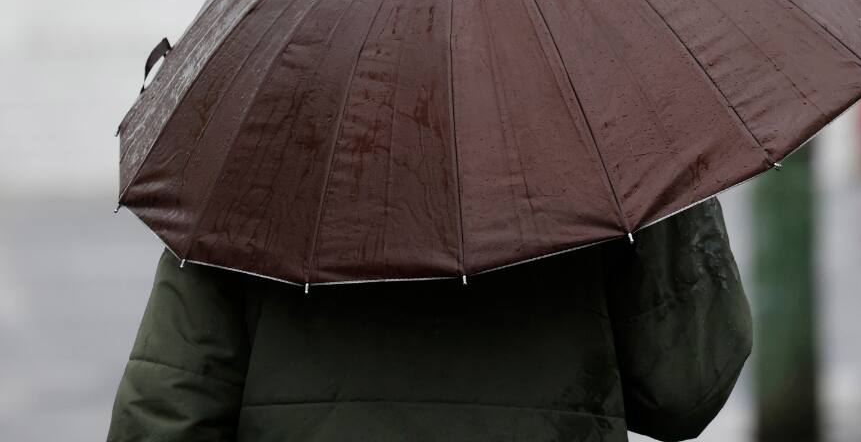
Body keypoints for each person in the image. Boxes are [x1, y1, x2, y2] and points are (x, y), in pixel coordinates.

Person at [107, 198, 752, 441]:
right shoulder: (604, 136)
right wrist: (676, 187)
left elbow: (162, 419)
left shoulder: (251, 162)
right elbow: (683, 389)